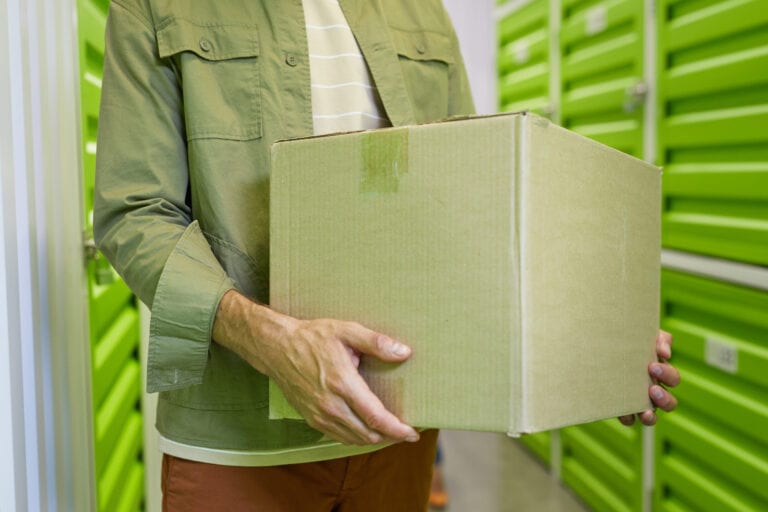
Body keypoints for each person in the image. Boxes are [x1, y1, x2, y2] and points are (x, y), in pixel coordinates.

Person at [94, 0, 680, 510]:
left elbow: (469, 202)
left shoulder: (422, 10)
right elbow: (136, 214)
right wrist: (275, 344)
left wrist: (588, 349)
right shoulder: (153, 4)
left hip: (402, 427)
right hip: (238, 443)